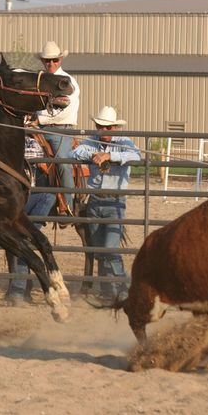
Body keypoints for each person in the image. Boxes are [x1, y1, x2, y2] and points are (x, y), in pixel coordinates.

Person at [70, 106, 140, 302]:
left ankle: (124, 289)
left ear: (115, 127)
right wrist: (93, 156)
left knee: (110, 249)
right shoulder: (92, 141)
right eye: (101, 126)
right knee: (100, 249)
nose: (104, 131)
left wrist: (110, 156)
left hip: (115, 202)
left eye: (108, 128)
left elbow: (136, 156)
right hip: (94, 201)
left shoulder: (124, 142)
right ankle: (107, 292)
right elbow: (75, 153)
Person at [4, 130, 56, 305]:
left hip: (32, 196)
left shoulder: (33, 141)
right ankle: (21, 289)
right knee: (23, 243)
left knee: (23, 242)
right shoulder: (11, 139)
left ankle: (68, 203)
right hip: (21, 197)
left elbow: (33, 154)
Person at [36, 41, 80, 216]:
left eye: (54, 60)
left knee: (63, 161)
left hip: (60, 130)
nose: (51, 64)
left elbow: (66, 108)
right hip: (37, 128)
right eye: (47, 61)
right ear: (43, 61)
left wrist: (39, 119)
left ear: (60, 60)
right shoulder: (38, 81)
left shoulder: (68, 82)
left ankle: (67, 206)